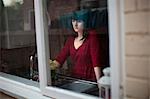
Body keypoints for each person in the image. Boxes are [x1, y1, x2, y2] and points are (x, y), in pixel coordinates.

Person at [49, 10, 101, 82]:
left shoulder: (92, 37)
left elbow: (96, 63)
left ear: (86, 22)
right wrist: (48, 65)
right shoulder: (70, 40)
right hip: (75, 79)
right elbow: (60, 59)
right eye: (73, 21)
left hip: (89, 81)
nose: (75, 24)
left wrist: (100, 84)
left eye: (79, 21)